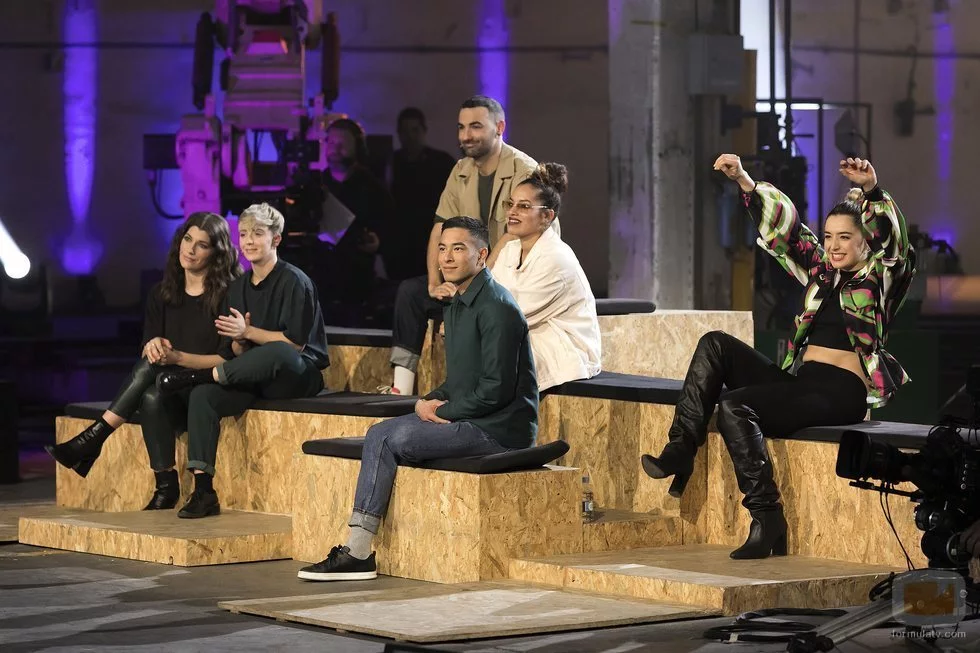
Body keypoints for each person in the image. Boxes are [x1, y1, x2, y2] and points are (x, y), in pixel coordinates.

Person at [640, 155, 915, 559]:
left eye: (844, 237)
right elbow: (789, 234)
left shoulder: (881, 277)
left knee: (735, 406)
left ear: (865, 241)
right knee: (715, 344)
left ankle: (767, 517)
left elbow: (895, 245)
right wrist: (745, 181)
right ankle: (681, 449)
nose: (833, 245)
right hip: (804, 385)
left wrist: (872, 190)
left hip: (842, 393)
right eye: (829, 236)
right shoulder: (822, 273)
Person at [298, 216, 538, 581]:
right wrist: (426, 401)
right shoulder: (457, 303)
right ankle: (358, 550)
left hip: (499, 429)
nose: (447, 258)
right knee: (381, 432)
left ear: (481, 255)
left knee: (384, 438)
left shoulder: (497, 307)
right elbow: (459, 380)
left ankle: (358, 552)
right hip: (471, 417)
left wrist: (445, 410)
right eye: (442, 248)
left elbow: (496, 389)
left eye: (458, 248)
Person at [46, 213, 242, 510]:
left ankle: (93, 440)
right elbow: (149, 348)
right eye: (187, 239)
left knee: (152, 374)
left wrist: (177, 357)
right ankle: (165, 487)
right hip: (170, 388)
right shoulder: (161, 294)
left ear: (217, 253)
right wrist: (153, 345)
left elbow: (226, 360)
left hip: (206, 388)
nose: (190, 250)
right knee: (151, 395)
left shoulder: (229, 295)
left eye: (202, 245)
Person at [154, 202, 329, 518]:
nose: (249, 241)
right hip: (253, 375)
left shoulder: (295, 281)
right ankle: (204, 490)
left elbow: (294, 344)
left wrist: (247, 331)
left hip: (296, 374)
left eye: (258, 234)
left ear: (276, 239)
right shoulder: (237, 287)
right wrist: (238, 341)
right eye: (244, 234)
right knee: (203, 395)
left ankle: (202, 374)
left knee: (278, 351)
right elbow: (237, 352)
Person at [383, 95, 560, 396]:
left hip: (509, 280)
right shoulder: (461, 170)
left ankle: (469, 392)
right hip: (470, 275)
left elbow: (518, 235)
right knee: (411, 292)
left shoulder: (524, 170)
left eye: (475, 126)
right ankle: (400, 388)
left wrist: (474, 284)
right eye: (461, 127)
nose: (466, 135)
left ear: (499, 127)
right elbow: (440, 227)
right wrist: (435, 283)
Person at [491, 162, 601, 391]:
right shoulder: (510, 250)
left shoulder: (557, 258)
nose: (512, 212)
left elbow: (516, 312)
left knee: (497, 352)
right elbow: (492, 297)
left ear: (547, 216)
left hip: (564, 347)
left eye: (523, 206)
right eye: (510, 204)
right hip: (529, 335)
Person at [319, 118, 395, 307]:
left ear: (358, 147)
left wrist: (378, 242)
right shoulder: (317, 185)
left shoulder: (373, 187)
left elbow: (390, 228)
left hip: (358, 282)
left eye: (343, 143)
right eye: (331, 142)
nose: (336, 149)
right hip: (321, 280)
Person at [385, 107, 457, 281]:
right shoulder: (391, 163)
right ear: (399, 133)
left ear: (424, 131)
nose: (410, 136)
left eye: (415, 130)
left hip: (432, 238)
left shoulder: (441, 162)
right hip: (400, 244)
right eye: (405, 131)